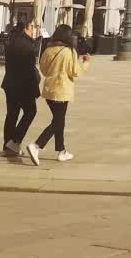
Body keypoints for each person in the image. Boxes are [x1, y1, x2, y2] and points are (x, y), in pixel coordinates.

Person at [26, 25, 86, 166]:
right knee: (58, 122)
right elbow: (75, 72)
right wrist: (85, 63)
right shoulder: (69, 52)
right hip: (62, 90)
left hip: (49, 89)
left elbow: (44, 70)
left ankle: (62, 151)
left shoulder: (48, 49)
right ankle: (36, 146)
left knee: (59, 120)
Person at [1, 19, 40, 157]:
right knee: (31, 112)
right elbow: (30, 69)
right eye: (33, 27)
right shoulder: (28, 45)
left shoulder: (11, 41)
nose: (35, 30)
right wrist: (35, 88)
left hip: (10, 83)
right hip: (23, 85)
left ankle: (7, 145)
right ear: (26, 28)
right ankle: (15, 141)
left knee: (12, 114)